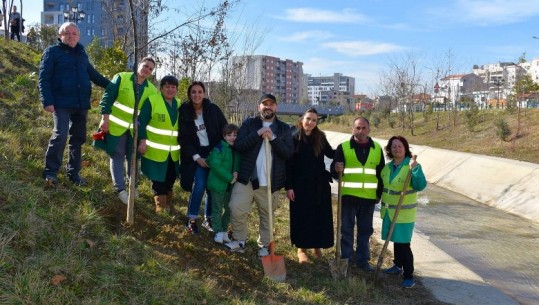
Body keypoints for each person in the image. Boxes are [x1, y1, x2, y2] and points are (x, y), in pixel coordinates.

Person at [39, 22, 110, 187]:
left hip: (81, 104)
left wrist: (112, 86)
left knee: (77, 139)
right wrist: (47, 100)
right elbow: (44, 78)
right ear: (60, 35)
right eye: (67, 33)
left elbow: (93, 74)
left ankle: (73, 173)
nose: (70, 36)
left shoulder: (82, 54)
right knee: (60, 135)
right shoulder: (52, 52)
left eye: (74, 33)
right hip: (61, 103)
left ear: (79, 36)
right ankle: (50, 172)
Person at [225, 93, 294, 257]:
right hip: (247, 179)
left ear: (276, 107)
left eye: (271, 104)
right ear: (259, 107)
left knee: (267, 216)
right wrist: (257, 134)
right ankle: (239, 240)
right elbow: (239, 146)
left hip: (270, 183)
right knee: (236, 208)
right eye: (264, 104)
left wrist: (273, 138)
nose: (268, 107)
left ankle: (264, 245)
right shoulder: (249, 124)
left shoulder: (284, 129)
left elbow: (288, 153)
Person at [95, 57, 159, 204]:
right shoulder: (121, 77)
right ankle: (120, 189)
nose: (147, 70)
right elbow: (107, 98)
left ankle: (133, 187)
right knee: (117, 155)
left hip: (134, 130)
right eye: (145, 66)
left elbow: (149, 115)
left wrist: (144, 137)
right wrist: (105, 118)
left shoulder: (152, 90)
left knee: (133, 158)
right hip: (116, 126)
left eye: (150, 69)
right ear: (138, 65)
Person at [331, 117, 385, 272]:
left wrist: (378, 194)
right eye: (357, 128)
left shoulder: (377, 149)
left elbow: (381, 174)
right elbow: (333, 173)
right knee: (346, 230)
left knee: (365, 231)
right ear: (352, 129)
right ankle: (346, 259)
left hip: (368, 198)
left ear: (369, 130)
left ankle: (363, 261)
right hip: (348, 197)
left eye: (363, 128)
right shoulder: (344, 147)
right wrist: (336, 168)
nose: (360, 131)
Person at [285, 108, 335, 264]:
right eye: (308, 119)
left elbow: (330, 154)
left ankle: (316, 245)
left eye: (314, 120)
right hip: (300, 184)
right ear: (302, 119)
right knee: (302, 215)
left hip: (319, 183)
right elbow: (288, 164)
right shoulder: (293, 137)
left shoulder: (320, 137)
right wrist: (289, 186)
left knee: (319, 215)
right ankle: (301, 248)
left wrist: (346, 148)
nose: (311, 122)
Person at [178, 81, 227, 234]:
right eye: (193, 92)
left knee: (212, 186)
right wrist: (197, 157)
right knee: (199, 184)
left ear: (204, 94)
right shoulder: (184, 111)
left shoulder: (213, 109)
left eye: (200, 92)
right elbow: (183, 139)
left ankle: (209, 218)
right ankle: (191, 219)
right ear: (189, 94)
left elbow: (224, 130)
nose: (197, 95)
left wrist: (218, 153)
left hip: (214, 153)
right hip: (196, 155)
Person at [380, 136, 426, 288]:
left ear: (405, 149)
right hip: (389, 212)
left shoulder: (411, 166)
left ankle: (409, 276)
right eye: (394, 146)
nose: (396, 149)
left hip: (404, 214)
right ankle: (397, 265)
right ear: (389, 149)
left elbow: (420, 185)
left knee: (404, 244)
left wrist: (416, 169)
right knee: (396, 241)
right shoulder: (387, 168)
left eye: (400, 146)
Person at [137, 75, 181, 214]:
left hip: (173, 152)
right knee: (158, 178)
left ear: (176, 89)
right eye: (167, 86)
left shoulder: (179, 104)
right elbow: (141, 122)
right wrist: (142, 140)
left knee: (170, 177)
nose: (170, 89)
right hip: (155, 150)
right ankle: (160, 207)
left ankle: (168, 202)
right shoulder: (152, 101)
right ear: (161, 88)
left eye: (173, 87)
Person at [206, 124, 241, 244]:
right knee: (217, 208)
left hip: (230, 186)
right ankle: (218, 231)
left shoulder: (236, 150)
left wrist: (237, 172)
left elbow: (237, 164)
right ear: (224, 136)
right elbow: (215, 165)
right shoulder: (219, 149)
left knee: (229, 208)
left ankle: (224, 230)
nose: (232, 138)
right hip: (218, 184)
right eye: (229, 135)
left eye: (235, 135)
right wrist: (230, 177)